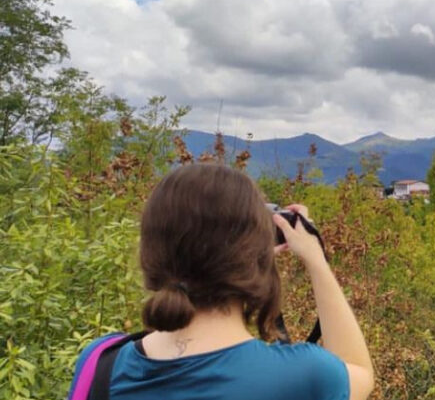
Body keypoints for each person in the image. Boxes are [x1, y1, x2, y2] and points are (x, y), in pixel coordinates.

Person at [68, 164, 374, 400]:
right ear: (252, 260)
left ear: (151, 252)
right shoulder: (302, 375)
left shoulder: (99, 361)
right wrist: (315, 259)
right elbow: (359, 372)